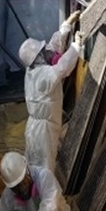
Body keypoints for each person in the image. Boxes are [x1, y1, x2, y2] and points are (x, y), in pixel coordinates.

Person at [19, 11, 83, 170]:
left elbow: (52, 46)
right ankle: (47, 194)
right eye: (42, 51)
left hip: (35, 126)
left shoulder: (33, 69)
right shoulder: (43, 76)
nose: (47, 51)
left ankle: (35, 190)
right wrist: (76, 46)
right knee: (45, 165)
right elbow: (63, 68)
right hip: (43, 131)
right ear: (38, 57)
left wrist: (66, 25)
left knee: (34, 161)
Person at [0, 151, 74, 211]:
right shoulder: (8, 193)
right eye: (15, 188)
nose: (21, 189)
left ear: (27, 171)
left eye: (22, 183)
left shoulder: (44, 177)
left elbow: (50, 210)